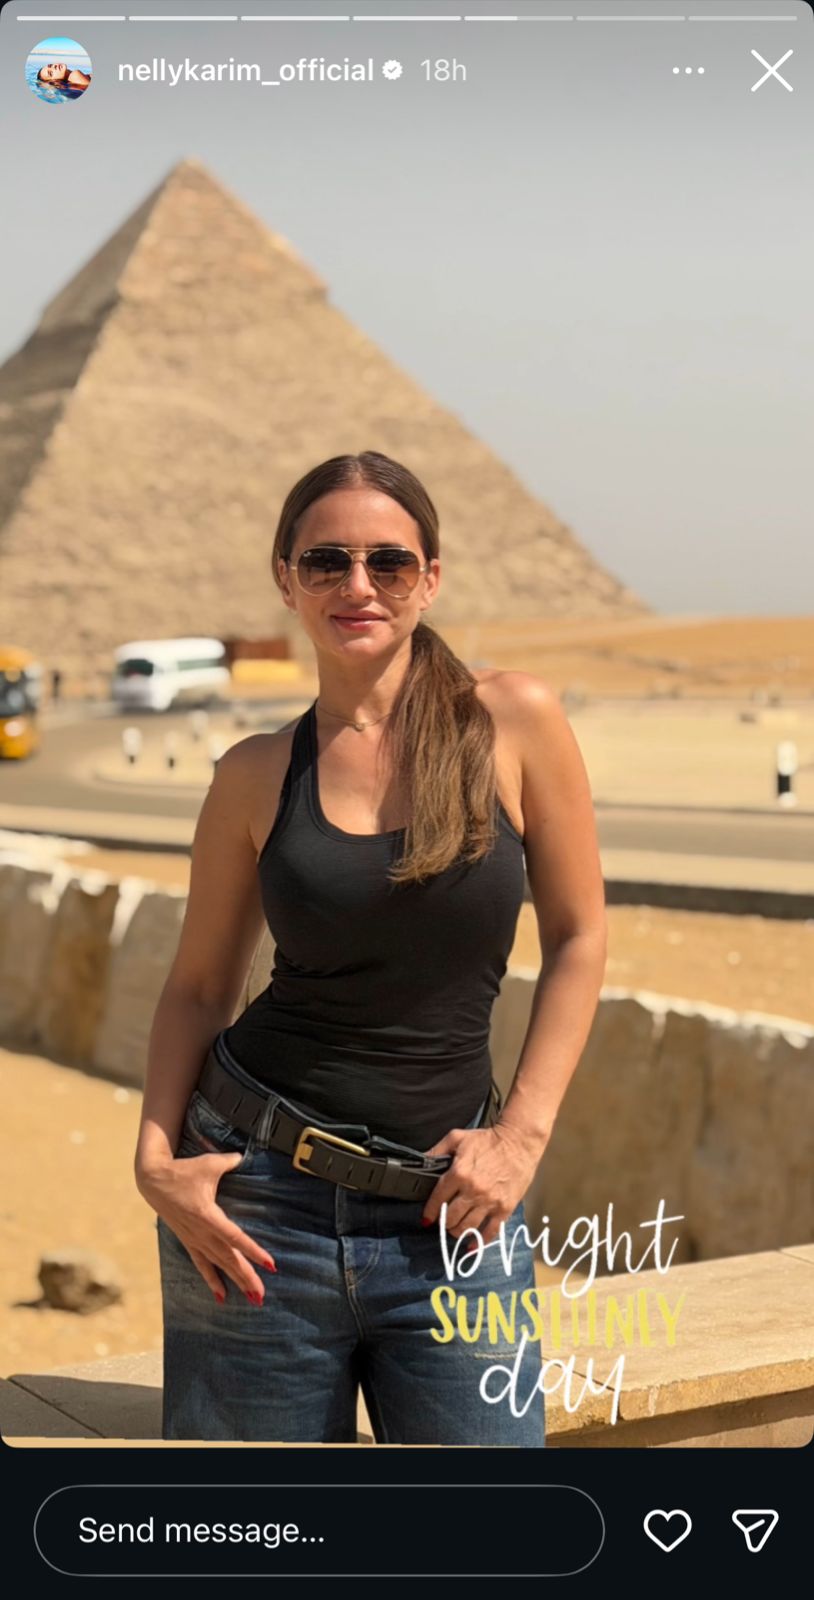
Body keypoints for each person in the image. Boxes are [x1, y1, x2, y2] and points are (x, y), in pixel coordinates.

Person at [134, 450, 607, 1444]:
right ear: (286, 579)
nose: (358, 585)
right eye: (326, 561)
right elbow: (200, 986)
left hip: (454, 1212)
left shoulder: (514, 720)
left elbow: (579, 935)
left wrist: (522, 1137)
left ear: (430, 578)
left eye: (388, 562)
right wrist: (154, 1159)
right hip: (255, 1207)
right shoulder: (254, 774)